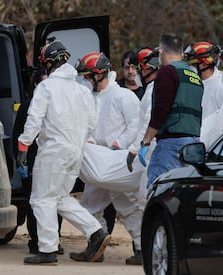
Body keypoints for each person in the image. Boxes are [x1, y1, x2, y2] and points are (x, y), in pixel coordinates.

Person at [17, 39, 110, 265]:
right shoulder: (82, 90)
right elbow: (91, 124)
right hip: (75, 152)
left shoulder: (46, 87)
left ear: (48, 63)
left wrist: (23, 145)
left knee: (41, 199)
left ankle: (47, 249)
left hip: (53, 152)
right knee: (59, 198)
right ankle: (96, 231)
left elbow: (34, 119)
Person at [75, 51, 143, 265]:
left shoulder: (123, 96)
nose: (85, 80)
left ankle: (142, 249)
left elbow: (136, 125)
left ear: (99, 74)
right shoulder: (90, 98)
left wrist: (119, 144)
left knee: (128, 207)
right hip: (98, 161)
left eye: (88, 76)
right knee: (89, 205)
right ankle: (96, 246)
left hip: (120, 161)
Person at [138, 33, 203, 189]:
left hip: (171, 144)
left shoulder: (167, 73)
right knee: (183, 193)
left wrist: (146, 141)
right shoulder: (194, 76)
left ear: (161, 52)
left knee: (160, 189)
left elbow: (161, 109)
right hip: (193, 143)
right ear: (181, 53)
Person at [12, 67, 65, 255]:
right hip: (32, 160)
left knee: (55, 201)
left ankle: (54, 240)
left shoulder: (56, 106)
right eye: (42, 82)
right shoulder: (28, 106)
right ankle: (36, 240)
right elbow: (18, 134)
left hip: (51, 158)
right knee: (35, 203)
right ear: (35, 84)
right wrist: (21, 160)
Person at [126, 46, 159, 210]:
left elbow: (148, 121)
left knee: (145, 198)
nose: (135, 73)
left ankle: (145, 236)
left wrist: (135, 148)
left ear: (147, 69)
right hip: (149, 146)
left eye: (138, 68)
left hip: (151, 148)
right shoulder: (152, 89)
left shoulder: (154, 89)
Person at [184, 41, 223, 120]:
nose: (190, 68)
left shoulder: (222, 86)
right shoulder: (195, 84)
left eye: (192, 65)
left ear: (204, 65)